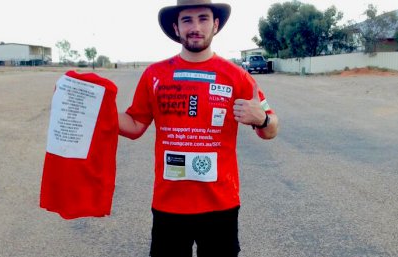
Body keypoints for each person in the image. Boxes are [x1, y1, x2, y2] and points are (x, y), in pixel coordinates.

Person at [118, 0, 279, 256]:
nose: (196, 27)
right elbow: (135, 125)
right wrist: (95, 110)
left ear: (215, 25)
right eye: (187, 20)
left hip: (220, 205)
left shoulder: (237, 76)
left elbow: (270, 129)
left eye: (203, 19)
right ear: (176, 27)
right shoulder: (155, 74)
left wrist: (263, 119)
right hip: (169, 205)